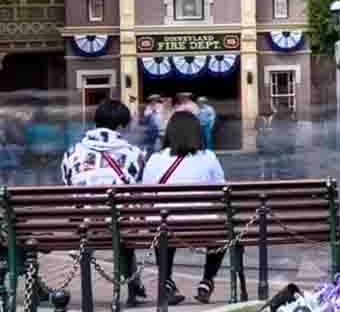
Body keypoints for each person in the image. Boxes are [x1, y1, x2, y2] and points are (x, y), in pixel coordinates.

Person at [60, 99, 148, 304]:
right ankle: (133, 287)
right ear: (120, 126)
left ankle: (128, 285)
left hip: (84, 225)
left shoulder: (73, 152)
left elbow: (68, 185)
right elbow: (139, 191)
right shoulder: (134, 154)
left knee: (110, 218)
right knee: (123, 223)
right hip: (121, 224)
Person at [142, 111, 227, 305]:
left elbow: (146, 195)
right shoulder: (208, 158)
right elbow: (222, 191)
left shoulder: (155, 159)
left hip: (163, 227)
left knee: (163, 222)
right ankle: (207, 280)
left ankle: (166, 281)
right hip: (201, 226)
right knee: (222, 229)